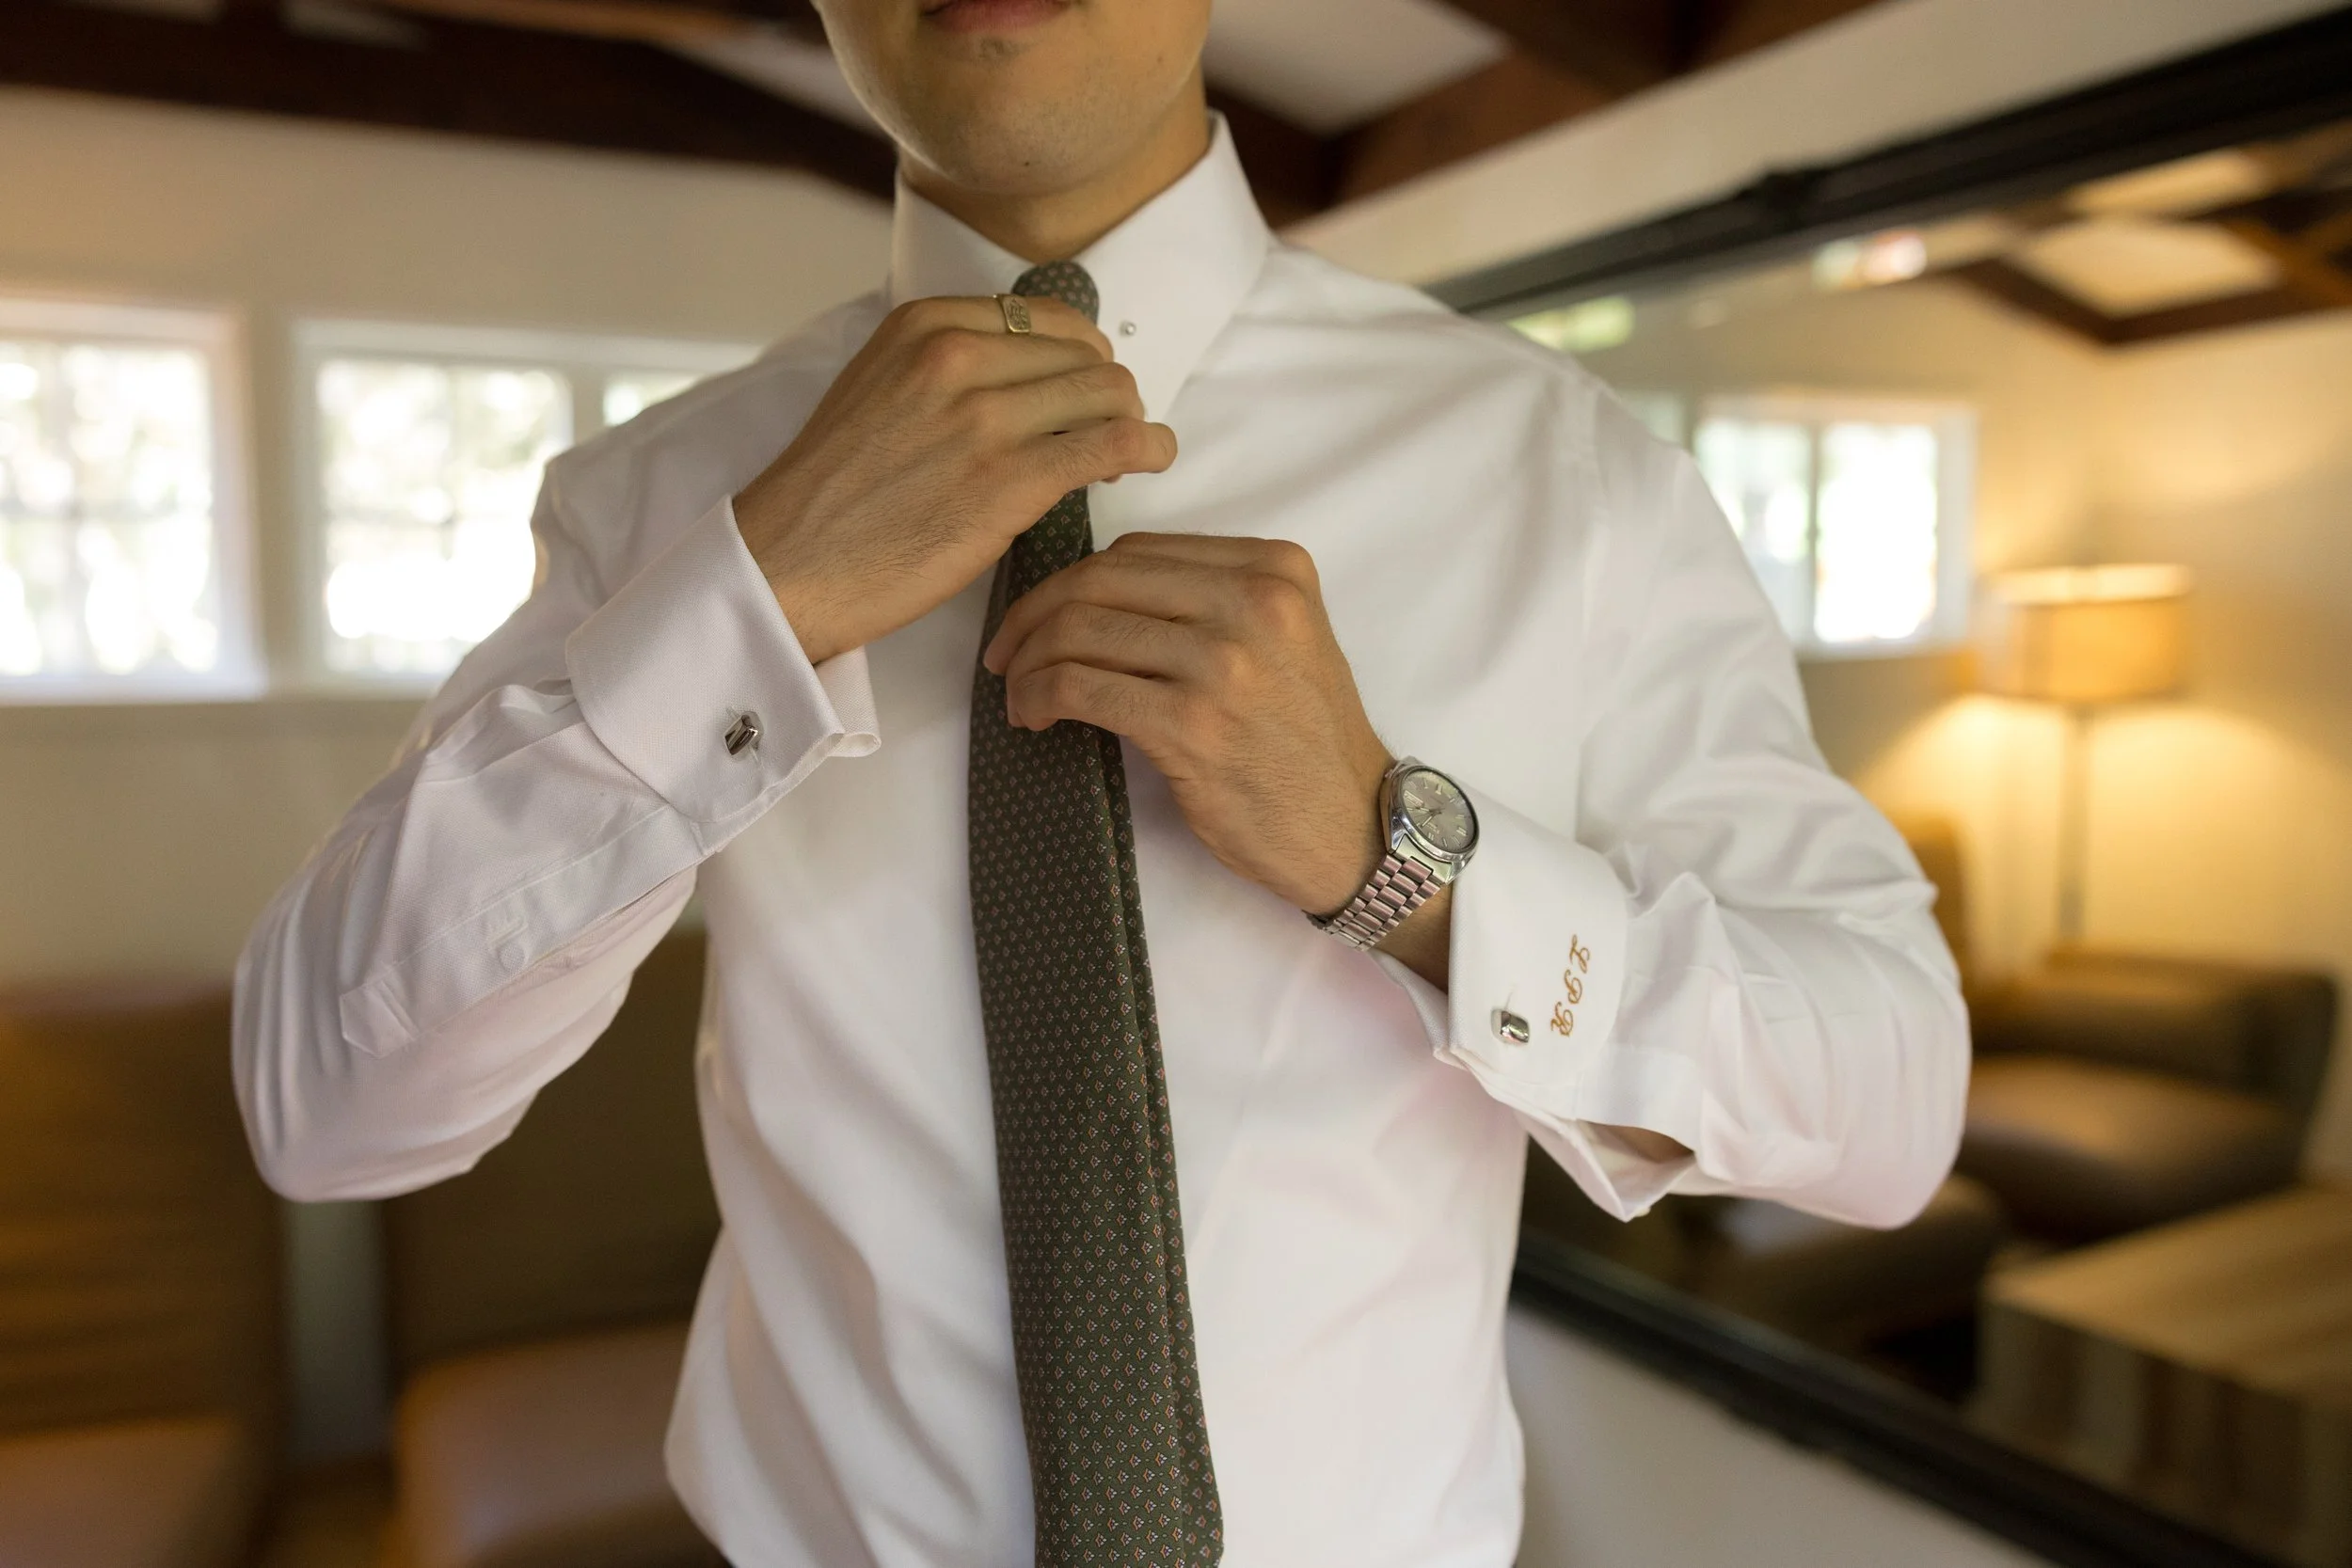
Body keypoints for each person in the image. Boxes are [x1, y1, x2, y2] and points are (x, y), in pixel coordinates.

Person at [234, 1, 1969, 1563]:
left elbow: (1895, 1103)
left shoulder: (1567, 475)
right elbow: (325, 1107)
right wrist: (752, 606)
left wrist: (1408, 862)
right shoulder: (665, 502)